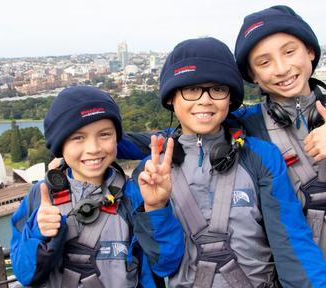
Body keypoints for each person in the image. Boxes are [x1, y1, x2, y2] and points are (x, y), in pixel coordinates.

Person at [133, 37, 326, 287]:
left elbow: (290, 245)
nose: (205, 100)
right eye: (191, 89)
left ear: (230, 99)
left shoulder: (260, 156)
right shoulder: (150, 172)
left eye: (218, 89)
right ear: (171, 97)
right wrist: (156, 207)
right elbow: (163, 264)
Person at [9, 86, 184, 287]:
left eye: (104, 135)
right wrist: (39, 232)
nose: (93, 148)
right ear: (60, 145)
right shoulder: (40, 196)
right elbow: (25, 273)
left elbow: (167, 264)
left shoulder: (134, 195)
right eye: (78, 138)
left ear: (117, 139)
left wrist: (156, 208)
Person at [233, 5, 326, 252]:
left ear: (310, 51)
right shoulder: (246, 124)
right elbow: (181, 137)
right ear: (253, 75)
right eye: (265, 62)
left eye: (289, 52)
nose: (282, 68)